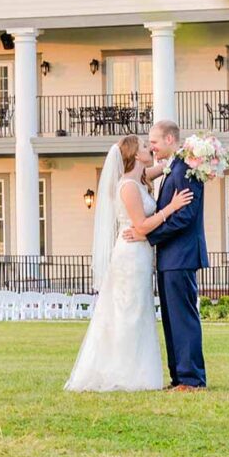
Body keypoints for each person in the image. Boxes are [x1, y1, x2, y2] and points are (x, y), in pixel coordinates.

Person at [64, 134, 193, 392]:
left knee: (140, 310)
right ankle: (123, 372)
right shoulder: (128, 187)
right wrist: (172, 207)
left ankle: (137, 371)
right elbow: (142, 225)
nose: (150, 149)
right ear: (136, 155)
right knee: (127, 312)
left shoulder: (141, 178)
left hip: (142, 254)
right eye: (146, 146)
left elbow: (167, 166)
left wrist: (186, 150)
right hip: (130, 256)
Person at [125, 119, 207, 390]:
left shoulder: (186, 170)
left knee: (183, 318)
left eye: (155, 142)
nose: (152, 147)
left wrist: (148, 236)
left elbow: (185, 216)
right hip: (169, 258)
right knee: (171, 321)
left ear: (170, 140)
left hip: (181, 256)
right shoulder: (173, 167)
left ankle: (192, 378)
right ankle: (179, 377)